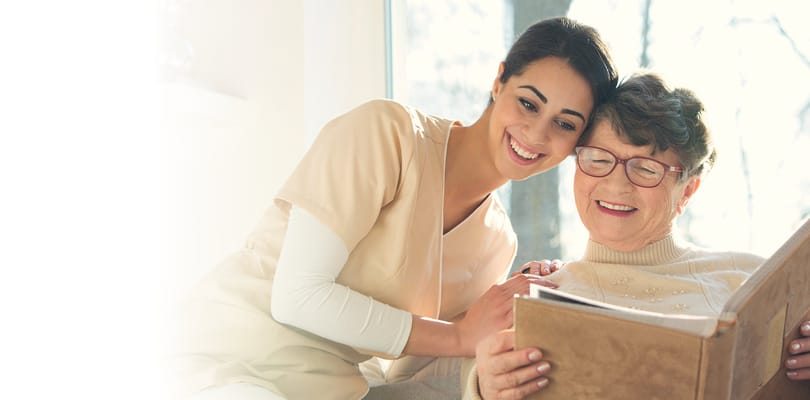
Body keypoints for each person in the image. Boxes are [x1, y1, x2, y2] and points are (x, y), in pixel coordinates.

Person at [167, 17, 618, 400]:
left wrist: (514, 322)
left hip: (333, 389)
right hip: (227, 360)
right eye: (528, 102)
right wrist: (461, 335)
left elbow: (412, 373)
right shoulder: (388, 135)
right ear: (499, 81)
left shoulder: (497, 241)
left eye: (564, 124)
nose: (537, 134)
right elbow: (297, 297)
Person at [460, 72, 810, 399]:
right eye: (598, 160)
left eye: (645, 168)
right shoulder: (533, 296)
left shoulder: (756, 280)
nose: (616, 185)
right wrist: (483, 388)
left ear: (687, 190)